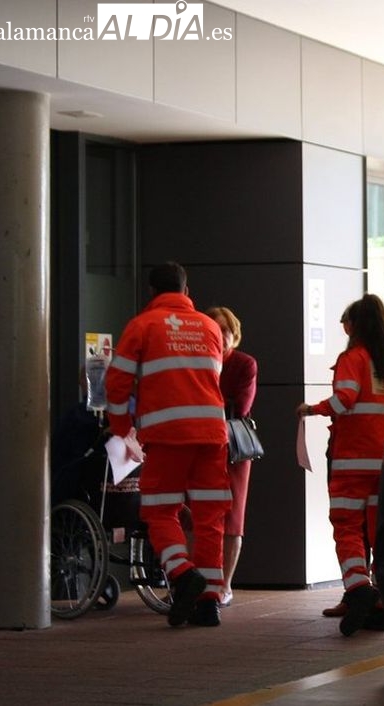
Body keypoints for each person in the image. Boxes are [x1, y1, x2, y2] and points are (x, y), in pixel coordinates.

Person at [106, 261, 231, 628]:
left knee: (160, 512)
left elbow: (117, 383)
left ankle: (180, 572)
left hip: (167, 435)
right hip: (212, 435)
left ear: (151, 292)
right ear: (186, 291)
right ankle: (209, 603)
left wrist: (122, 429)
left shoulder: (142, 325)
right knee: (209, 519)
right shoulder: (209, 325)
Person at [297, 293, 384, 636]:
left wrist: (311, 409)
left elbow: (344, 399)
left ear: (355, 326)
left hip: (352, 459)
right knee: (376, 531)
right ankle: (380, 599)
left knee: (346, 526)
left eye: (345, 323)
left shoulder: (354, 357)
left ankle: (359, 588)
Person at [206, 306, 259, 608]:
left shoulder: (244, 364)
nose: (221, 335)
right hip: (201, 444)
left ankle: (225, 584)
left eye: (225, 330)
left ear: (234, 333)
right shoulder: (197, 361)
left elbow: (240, 405)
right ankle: (199, 580)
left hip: (233, 447)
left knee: (232, 517)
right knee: (197, 512)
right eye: (215, 329)